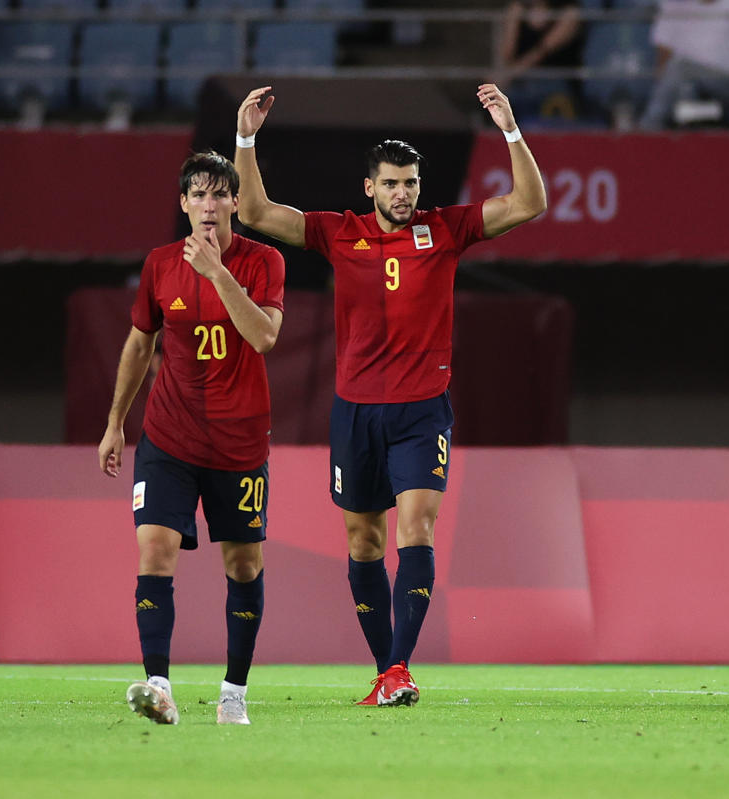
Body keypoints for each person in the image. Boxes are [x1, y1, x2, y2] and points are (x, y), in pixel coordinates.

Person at [233, 84, 546, 707]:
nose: (404, 193)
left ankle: (399, 666)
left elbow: (529, 203)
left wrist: (511, 129)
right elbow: (256, 215)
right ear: (369, 188)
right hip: (355, 411)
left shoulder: (448, 230)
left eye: (412, 183)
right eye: (393, 183)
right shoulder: (337, 234)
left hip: (421, 410)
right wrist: (245, 139)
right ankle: (388, 672)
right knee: (363, 543)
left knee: (417, 530)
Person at [98, 151, 285, 726]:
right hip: (169, 437)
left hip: (239, 443)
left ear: (235, 203)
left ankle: (233, 694)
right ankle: (159, 686)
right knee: (154, 548)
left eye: (218, 194)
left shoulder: (265, 260)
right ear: (183, 204)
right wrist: (114, 424)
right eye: (197, 195)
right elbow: (138, 345)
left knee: (244, 566)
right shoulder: (159, 264)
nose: (208, 205)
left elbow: (264, 337)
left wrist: (216, 273)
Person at [639, 0, 729, 129]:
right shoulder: (672, 5)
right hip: (685, 83)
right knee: (684, 89)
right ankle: (681, 140)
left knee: (682, 67)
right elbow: (663, 59)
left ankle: (648, 127)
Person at [493, 0, 584, 122]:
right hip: (521, 81)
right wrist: (513, 18)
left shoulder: (570, 13)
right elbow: (507, 54)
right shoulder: (518, 9)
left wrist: (509, 75)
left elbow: (542, 51)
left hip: (558, 81)